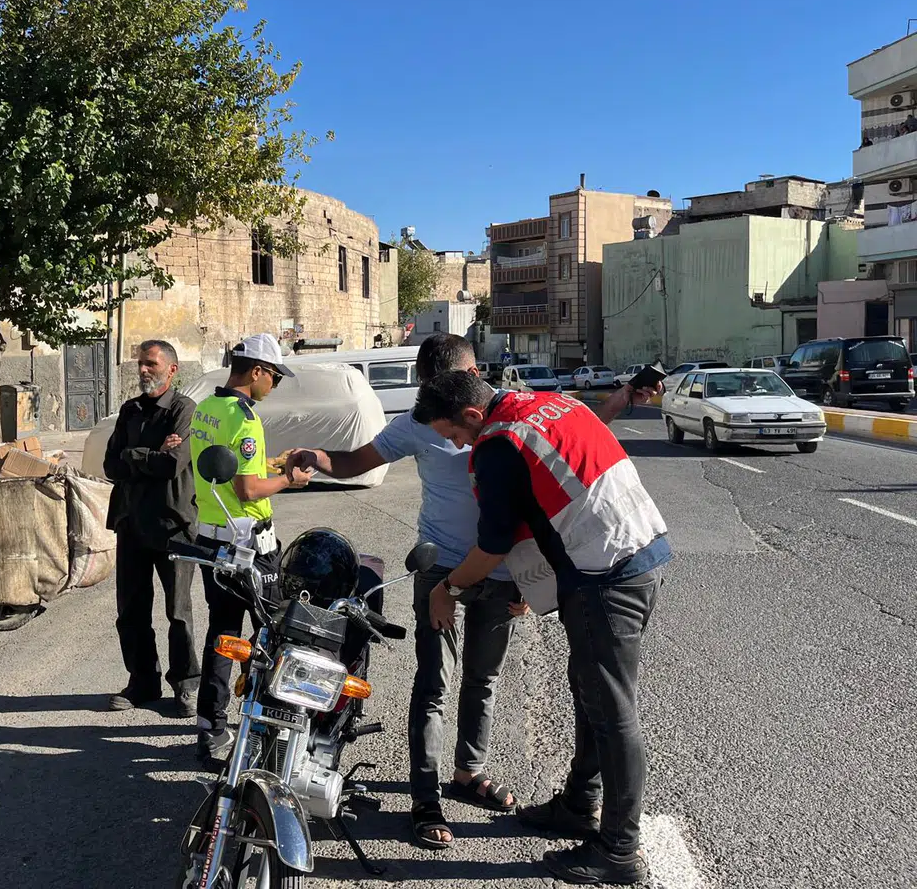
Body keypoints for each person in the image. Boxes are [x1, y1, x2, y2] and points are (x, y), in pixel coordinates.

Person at [284, 334, 660, 851]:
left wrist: (530, 581)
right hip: (445, 565)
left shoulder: (505, 432)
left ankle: (477, 777)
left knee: (493, 680)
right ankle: (427, 799)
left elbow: (525, 509)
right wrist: (316, 457)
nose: (458, 446)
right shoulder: (443, 423)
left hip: (515, 569)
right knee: (435, 684)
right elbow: (358, 462)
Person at [413, 371, 671, 886]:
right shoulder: (544, 404)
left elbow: (491, 547)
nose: (457, 446)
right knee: (590, 693)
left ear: (470, 415)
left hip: (605, 574)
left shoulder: (495, 444)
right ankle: (580, 803)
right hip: (634, 550)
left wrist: (446, 590)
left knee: (613, 710)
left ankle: (619, 851)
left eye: (453, 435)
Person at [188, 333, 312, 761]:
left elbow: (225, 468)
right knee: (269, 631)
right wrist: (289, 479)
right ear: (257, 371)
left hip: (212, 537)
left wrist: (270, 461)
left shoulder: (207, 407)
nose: (273, 385)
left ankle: (211, 727)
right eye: (274, 377)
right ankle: (264, 725)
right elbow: (247, 487)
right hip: (250, 545)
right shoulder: (244, 418)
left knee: (222, 632)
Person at [103, 340, 200, 717]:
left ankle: (186, 685)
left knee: (178, 611)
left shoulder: (183, 409)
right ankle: (142, 681)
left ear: (171, 369)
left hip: (172, 524)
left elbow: (172, 464)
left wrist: (137, 455)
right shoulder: (129, 411)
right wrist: (147, 453)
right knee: (131, 610)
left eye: (150, 364)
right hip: (131, 521)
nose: (143, 370)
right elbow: (111, 465)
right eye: (140, 363)